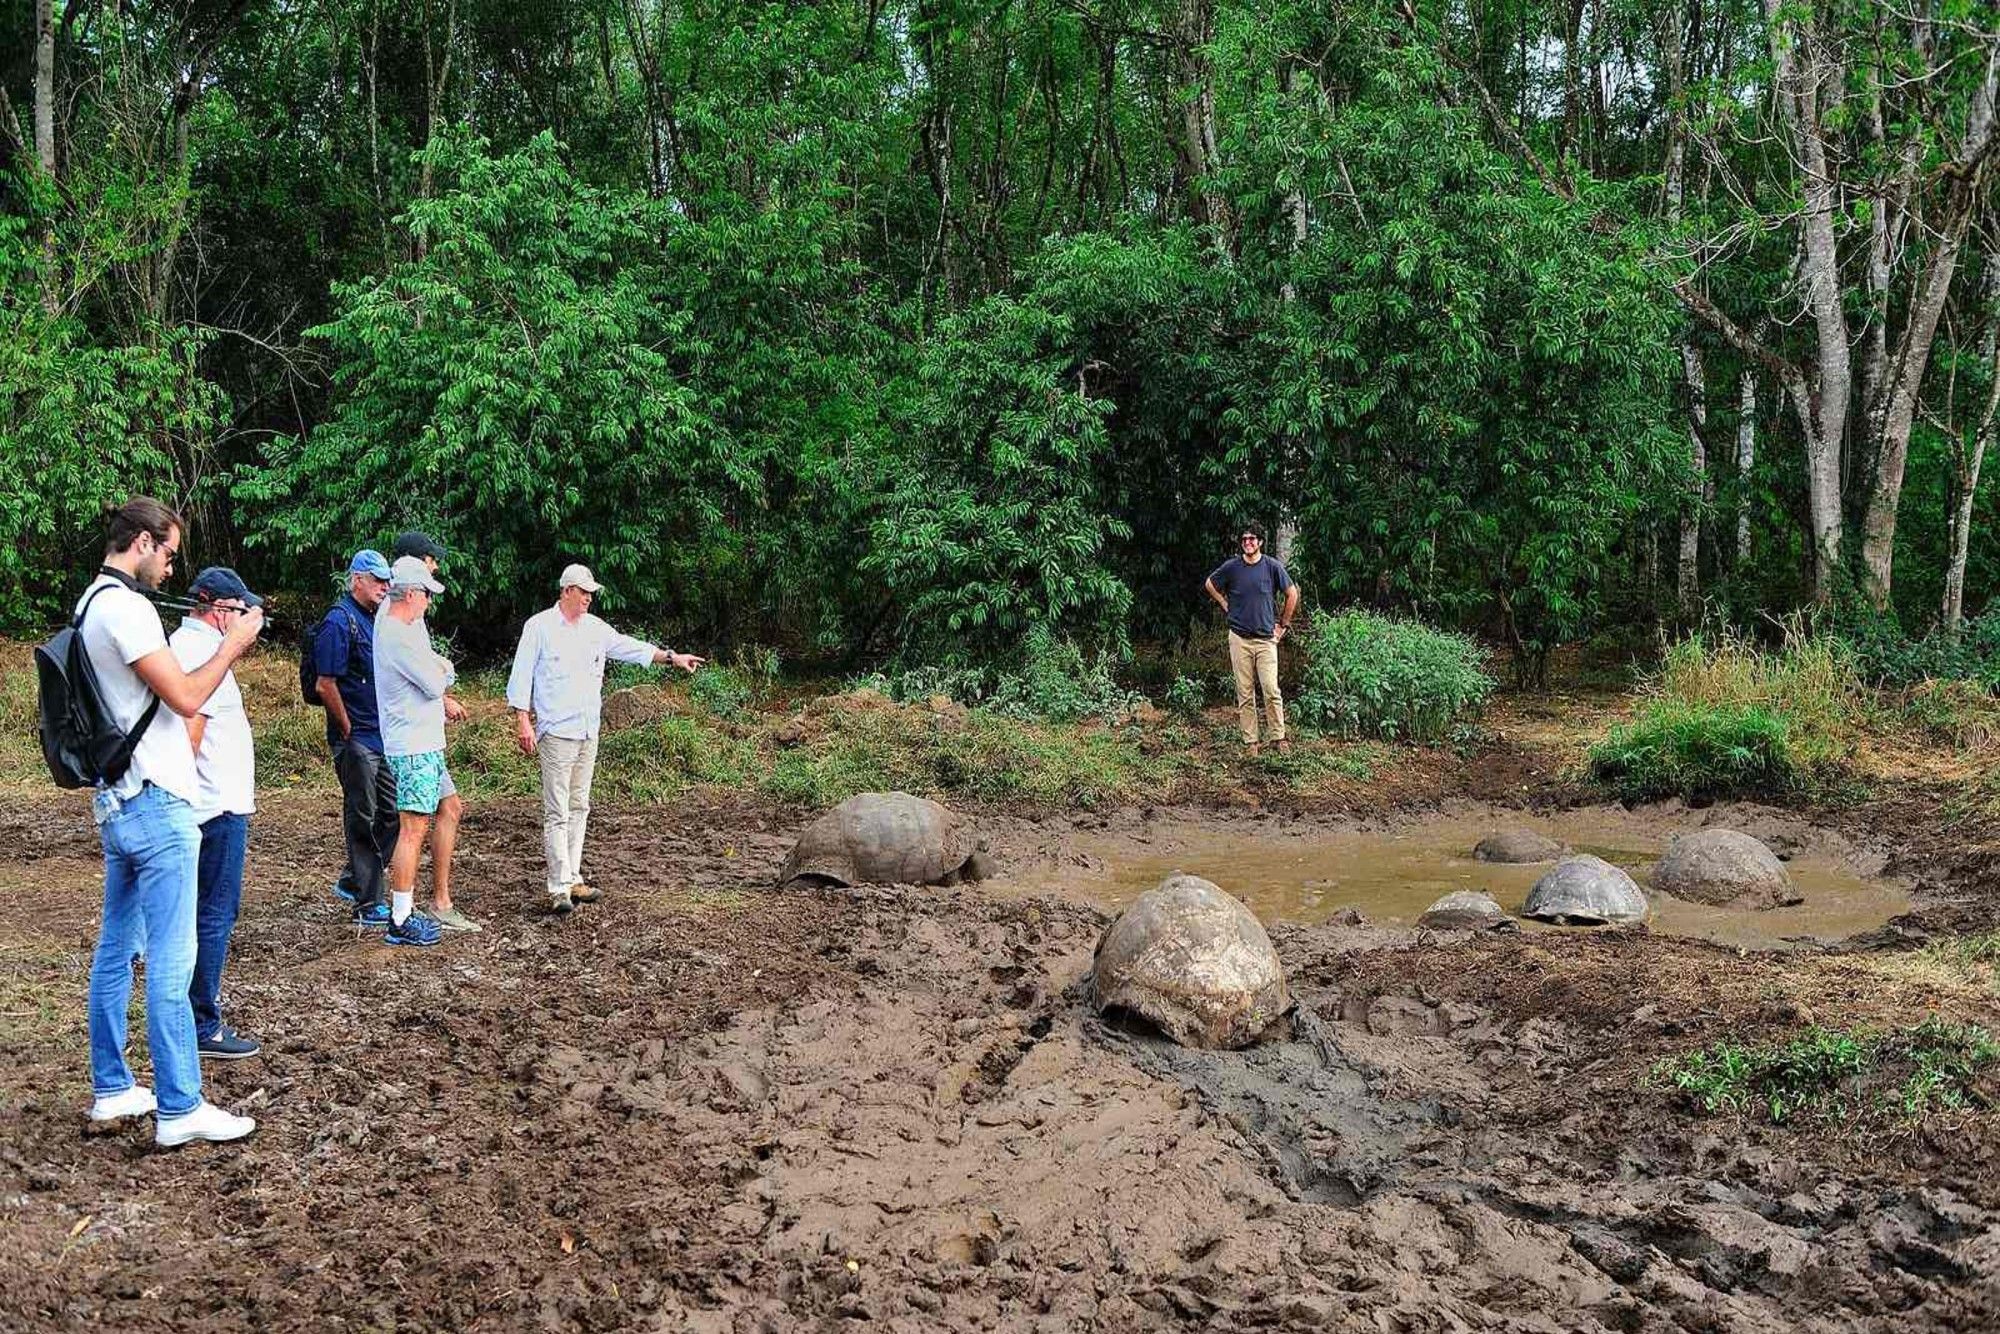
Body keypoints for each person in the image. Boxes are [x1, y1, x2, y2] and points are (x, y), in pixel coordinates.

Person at [78, 497, 263, 1147]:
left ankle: (113, 1087)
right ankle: (182, 1105)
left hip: (119, 802)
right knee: (169, 956)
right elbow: (185, 696)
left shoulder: (89, 604)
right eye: (169, 553)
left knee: (115, 951)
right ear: (143, 543)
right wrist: (235, 644)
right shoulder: (126, 609)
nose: (170, 567)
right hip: (157, 804)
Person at [506, 564, 704, 914]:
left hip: (587, 730)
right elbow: (521, 675)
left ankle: (573, 877)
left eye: (590, 593)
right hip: (556, 731)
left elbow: (630, 647)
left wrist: (672, 658)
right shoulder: (539, 627)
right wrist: (523, 720)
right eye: (582, 592)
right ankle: (558, 887)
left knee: (580, 805)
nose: (587, 598)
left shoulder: (595, 629)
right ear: (566, 590)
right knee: (558, 809)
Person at [167, 567, 264, 1061]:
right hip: (215, 807)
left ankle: (194, 1015)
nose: (249, 622)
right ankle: (202, 1021)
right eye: (243, 611)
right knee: (213, 914)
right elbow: (190, 733)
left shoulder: (184, 646)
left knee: (197, 913)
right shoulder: (205, 651)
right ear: (220, 610)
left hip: (211, 803)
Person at [374, 556, 471, 939]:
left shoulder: (402, 626)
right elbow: (434, 680)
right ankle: (400, 918)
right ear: (411, 594)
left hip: (424, 742)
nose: (429, 601)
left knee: (450, 806)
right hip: (412, 746)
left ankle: (439, 901)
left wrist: (439, 669)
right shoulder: (397, 633)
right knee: (412, 829)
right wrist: (443, 670)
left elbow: (434, 673)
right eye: (426, 594)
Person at [319, 550, 400, 929]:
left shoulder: (375, 619)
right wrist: (347, 728)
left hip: (380, 736)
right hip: (357, 738)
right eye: (378, 579)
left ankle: (355, 878)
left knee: (393, 812)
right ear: (357, 580)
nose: (385, 586)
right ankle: (369, 902)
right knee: (362, 816)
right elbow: (325, 683)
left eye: (387, 580)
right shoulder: (339, 621)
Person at [1203, 524, 1300, 756]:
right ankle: (1251, 742)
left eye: (1252, 538)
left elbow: (1292, 593)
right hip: (1239, 639)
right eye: (1244, 539)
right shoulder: (1232, 567)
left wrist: (1282, 626)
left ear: (1260, 542)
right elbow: (1210, 584)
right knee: (1245, 692)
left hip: (1266, 640)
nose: (1248, 542)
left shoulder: (1271, 566)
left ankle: (1278, 737)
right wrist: (1224, 603)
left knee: (1270, 689)